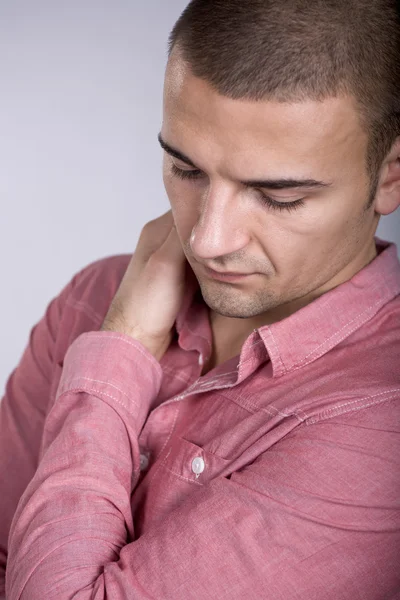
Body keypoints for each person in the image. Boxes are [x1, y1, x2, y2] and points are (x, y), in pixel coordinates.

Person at [2, 0, 400, 598]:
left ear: (390, 175)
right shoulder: (96, 298)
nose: (206, 240)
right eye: (185, 169)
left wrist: (124, 345)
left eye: (278, 196)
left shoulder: (381, 424)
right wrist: (119, 328)